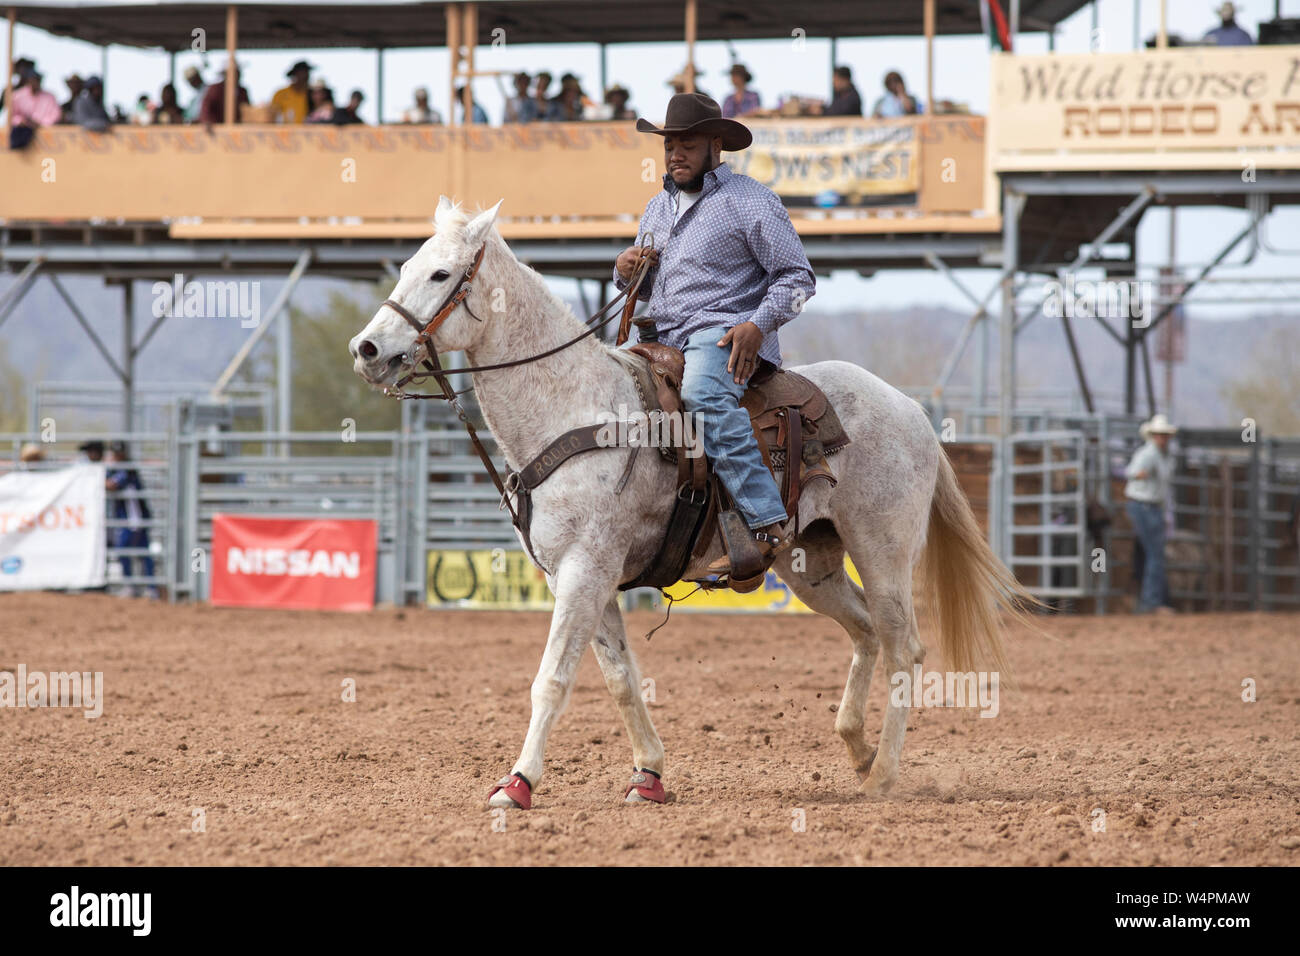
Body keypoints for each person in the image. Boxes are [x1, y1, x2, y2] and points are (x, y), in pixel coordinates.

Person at [613, 92, 816, 589]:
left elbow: (798, 279)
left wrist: (757, 325)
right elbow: (643, 284)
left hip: (722, 335)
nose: (675, 154)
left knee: (702, 394)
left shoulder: (752, 200)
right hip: (661, 337)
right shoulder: (655, 208)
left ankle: (766, 523)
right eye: (669, 146)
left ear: (715, 146)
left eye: (686, 144)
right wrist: (624, 273)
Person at [1124, 414, 1178, 614]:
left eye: (1165, 435)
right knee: (1155, 553)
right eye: (1159, 434)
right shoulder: (1149, 454)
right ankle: (1151, 602)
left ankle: (1148, 600)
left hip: (1152, 507)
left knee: (1149, 554)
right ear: (1153, 435)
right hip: (1145, 506)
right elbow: (1131, 471)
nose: (1162, 438)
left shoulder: (1161, 455)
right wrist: (1140, 474)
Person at [105, 441, 156, 599]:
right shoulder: (118, 469)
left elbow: (111, 485)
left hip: (134, 519)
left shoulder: (127, 470)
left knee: (137, 552)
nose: (117, 456)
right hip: (128, 519)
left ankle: (148, 587)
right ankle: (138, 586)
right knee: (132, 552)